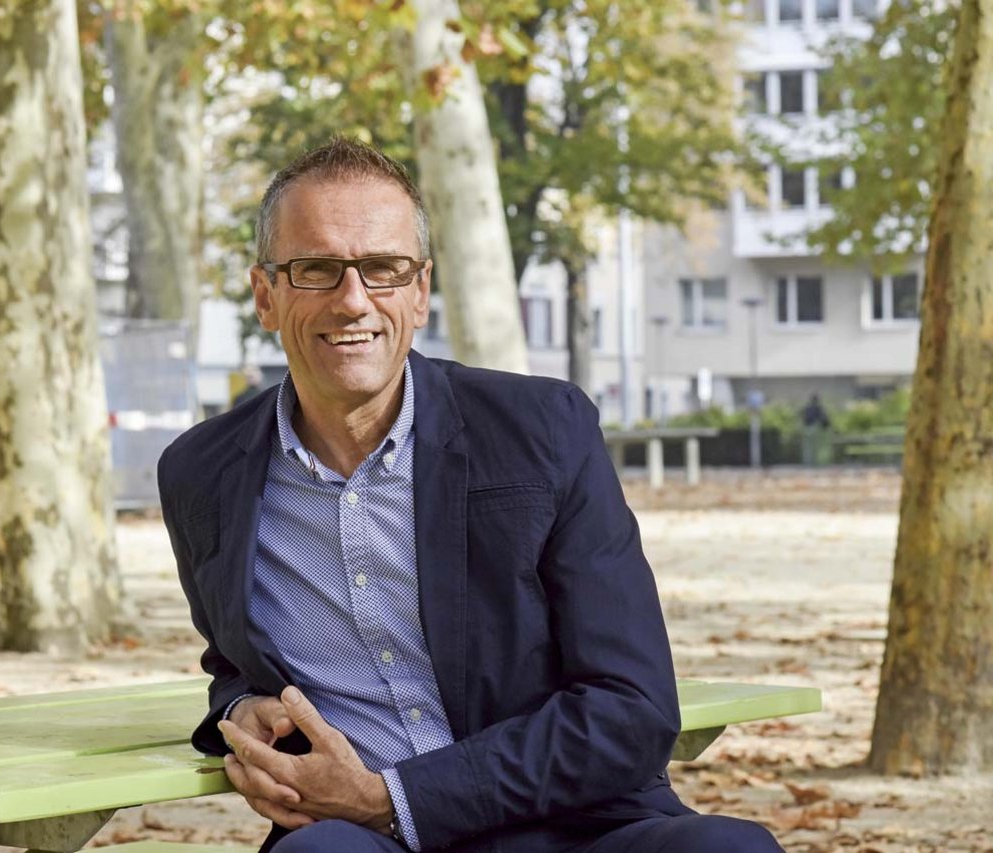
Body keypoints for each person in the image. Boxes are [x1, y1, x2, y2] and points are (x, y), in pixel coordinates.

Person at [157, 138, 784, 853]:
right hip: (360, 843)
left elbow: (631, 708)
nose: (353, 299)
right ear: (266, 294)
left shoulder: (543, 431)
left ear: (420, 291)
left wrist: (393, 799)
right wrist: (246, 709)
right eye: (317, 270)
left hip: (580, 827)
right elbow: (233, 663)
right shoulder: (202, 474)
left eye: (383, 269)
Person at [801, 394, 831, 466]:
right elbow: (823, 419)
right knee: (816, 446)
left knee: (808, 446)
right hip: (815, 428)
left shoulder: (807, 408)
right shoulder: (818, 408)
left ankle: (808, 461)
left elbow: (803, 417)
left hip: (807, 428)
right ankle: (814, 462)